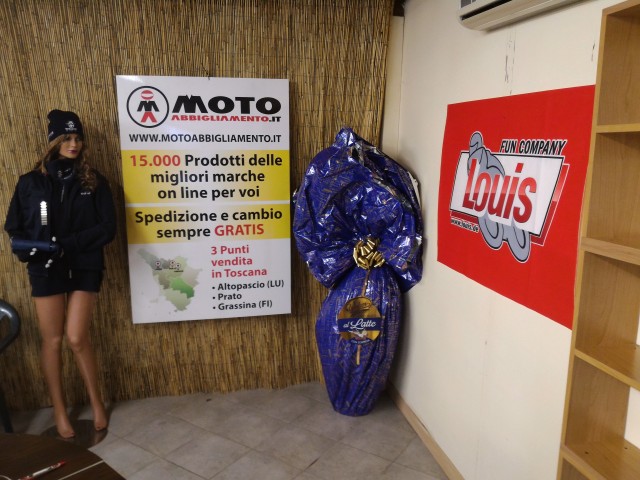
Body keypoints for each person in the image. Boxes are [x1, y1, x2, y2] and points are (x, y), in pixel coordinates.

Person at [4, 110, 116, 438]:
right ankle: (59, 410)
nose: (73, 144)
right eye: (66, 138)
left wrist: (67, 244)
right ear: (53, 141)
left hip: (84, 266)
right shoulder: (30, 182)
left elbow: (108, 227)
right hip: (45, 268)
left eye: (78, 138)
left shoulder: (94, 180)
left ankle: (96, 402)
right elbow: (14, 226)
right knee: (52, 340)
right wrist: (31, 249)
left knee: (76, 337)